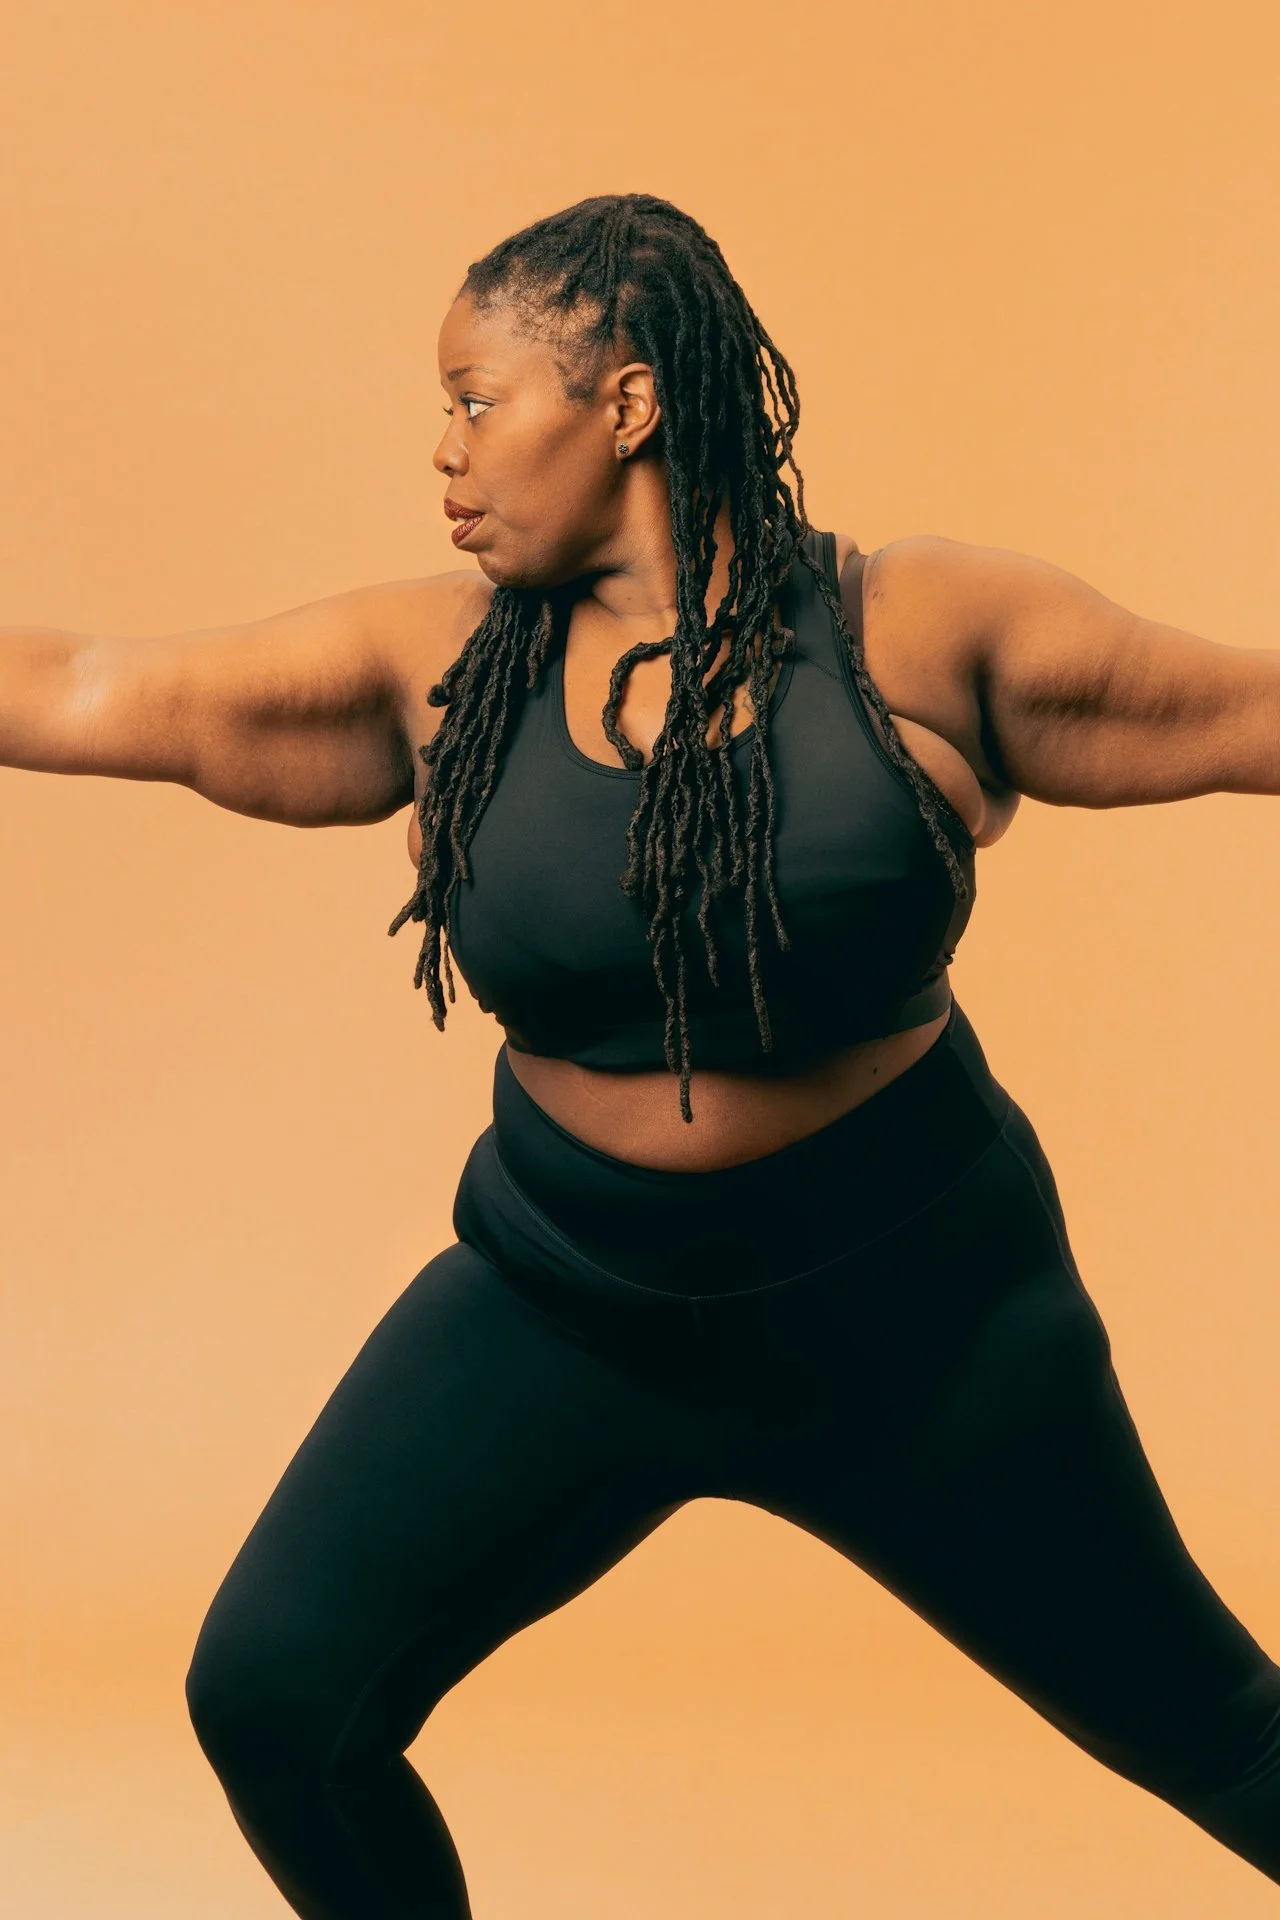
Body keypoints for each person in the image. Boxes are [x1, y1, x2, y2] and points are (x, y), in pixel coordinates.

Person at [4, 190, 1279, 1916]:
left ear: (623, 403)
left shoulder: (917, 629)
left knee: (1217, 1732)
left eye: (473, 400)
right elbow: (87, 683)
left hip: (924, 1319)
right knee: (275, 1699)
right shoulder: (433, 672)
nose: (442, 454)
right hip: (563, 1305)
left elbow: (1252, 713)